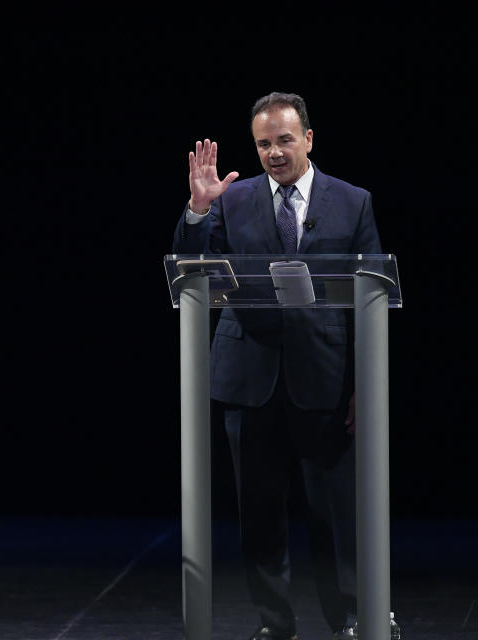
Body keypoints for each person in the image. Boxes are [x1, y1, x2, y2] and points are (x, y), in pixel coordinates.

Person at [173, 92, 382, 640]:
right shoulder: (230, 200)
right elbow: (192, 267)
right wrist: (198, 211)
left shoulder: (353, 202)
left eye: (284, 141)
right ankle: (274, 623)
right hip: (251, 377)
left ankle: (350, 620)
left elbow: (372, 299)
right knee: (259, 514)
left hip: (326, 377)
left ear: (308, 139)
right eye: (264, 143)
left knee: (334, 515)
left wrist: (365, 386)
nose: (273, 153)